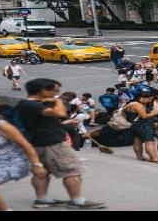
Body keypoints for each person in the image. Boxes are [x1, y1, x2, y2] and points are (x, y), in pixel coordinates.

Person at [15, 79, 108, 210]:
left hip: (37, 142)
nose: (57, 94)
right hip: (52, 143)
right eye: (55, 91)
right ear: (43, 90)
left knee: (43, 172)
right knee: (72, 170)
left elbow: (41, 122)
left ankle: (42, 199)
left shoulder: (23, 104)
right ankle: (77, 201)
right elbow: (60, 113)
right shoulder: (33, 105)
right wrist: (58, 102)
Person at [123, 92, 158, 164]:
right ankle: (154, 158)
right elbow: (144, 116)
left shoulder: (130, 104)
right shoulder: (138, 105)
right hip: (143, 125)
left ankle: (139, 156)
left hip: (134, 125)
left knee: (137, 140)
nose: (149, 101)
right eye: (148, 99)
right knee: (150, 141)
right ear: (141, 98)